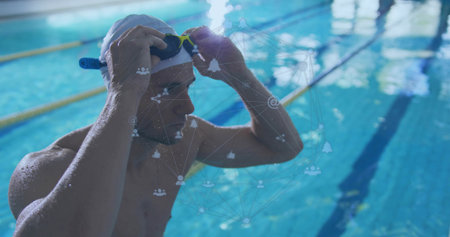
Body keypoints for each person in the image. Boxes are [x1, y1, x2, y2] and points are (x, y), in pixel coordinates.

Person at [8, 14, 303, 237]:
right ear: (121, 90)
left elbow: (284, 147)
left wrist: (241, 76)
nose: (188, 107)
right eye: (168, 89)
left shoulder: (187, 138)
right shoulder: (49, 170)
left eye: (187, 87)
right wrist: (125, 91)